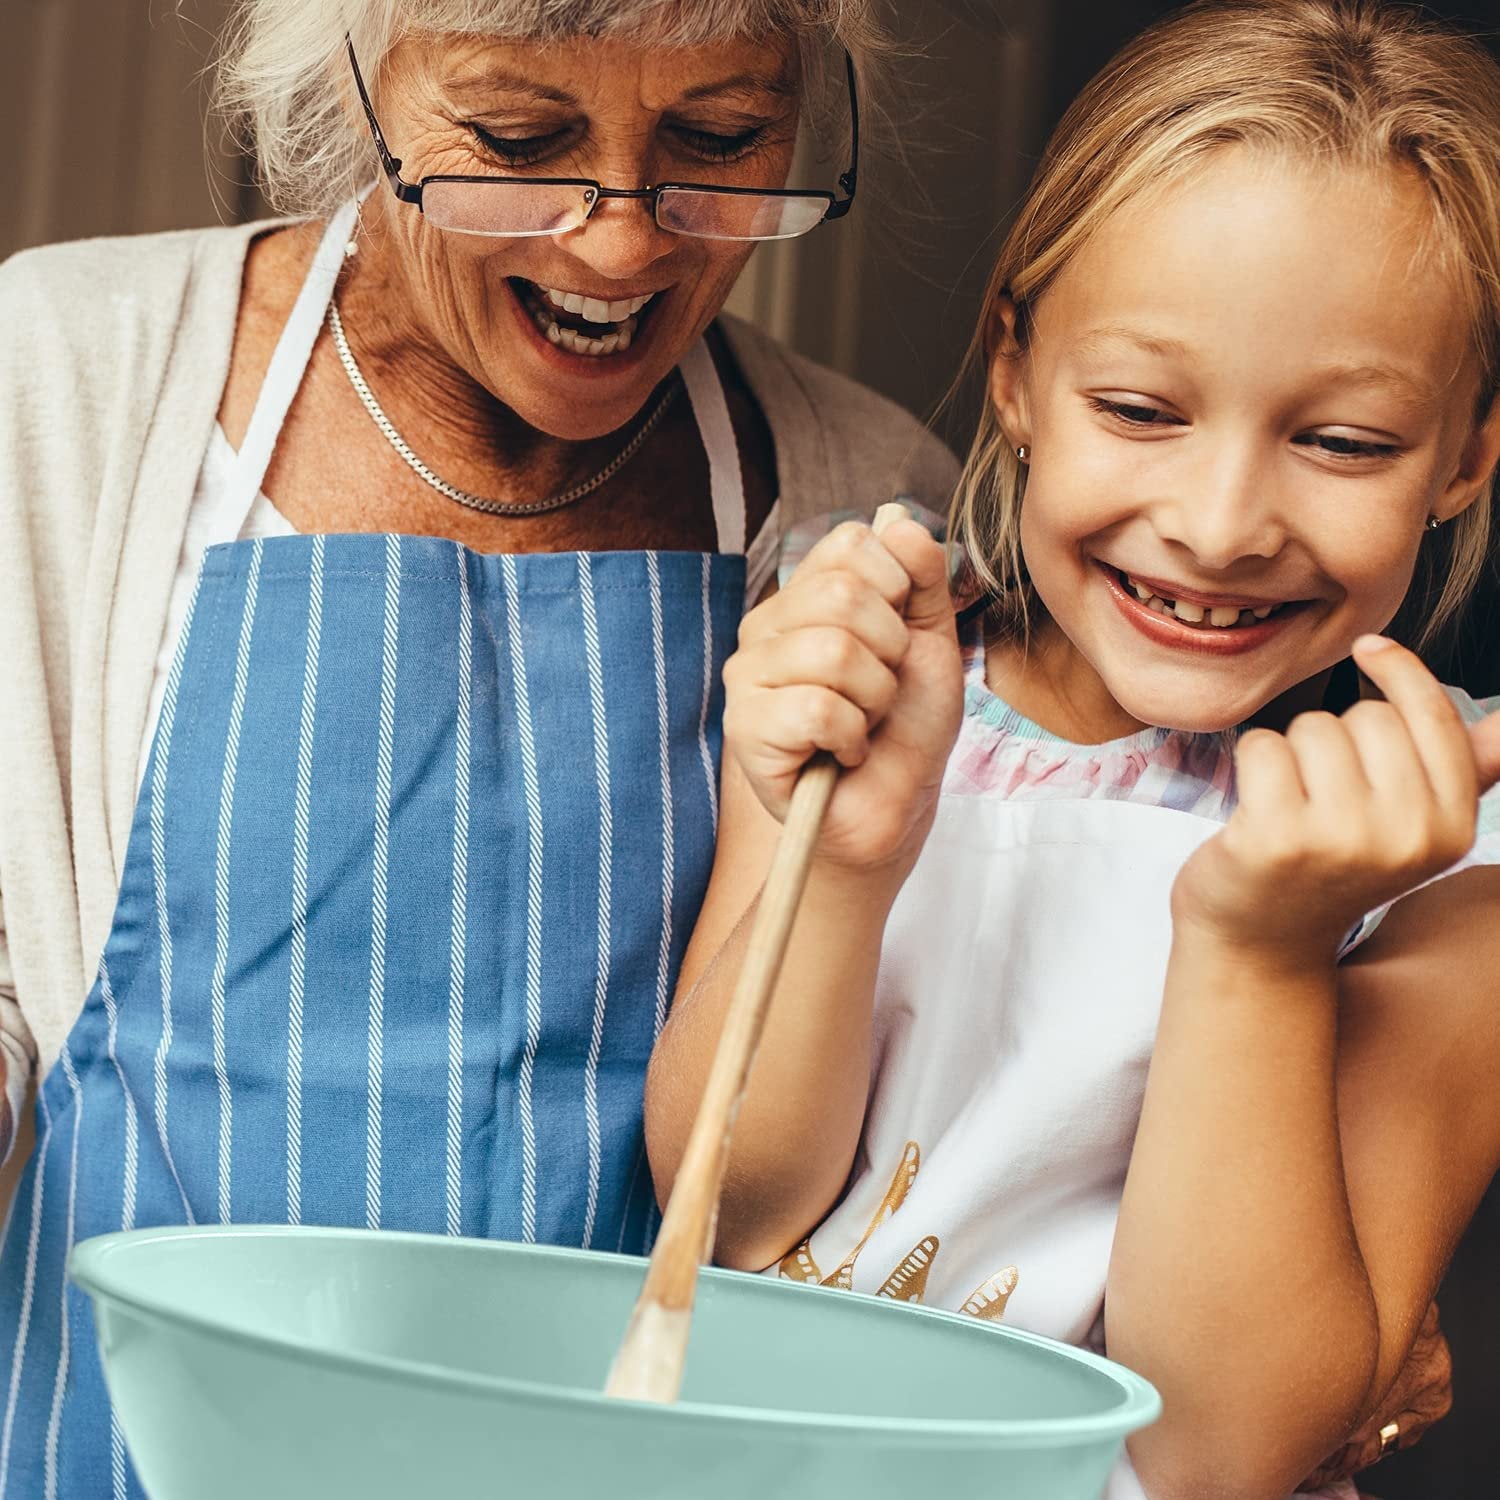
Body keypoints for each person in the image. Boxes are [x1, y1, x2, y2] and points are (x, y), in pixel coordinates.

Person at [0, 0, 959, 1491]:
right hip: (114, 1447)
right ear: (356, 89)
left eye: (718, 141)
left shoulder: (866, 495)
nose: (619, 244)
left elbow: (905, 1120)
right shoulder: (56, 380)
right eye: (519, 141)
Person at [644, 3, 1500, 1497]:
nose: (1222, 524)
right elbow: (725, 1214)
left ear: (1467, 456)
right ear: (1018, 371)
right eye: (1139, 409)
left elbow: (1221, 1445)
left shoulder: (1455, 867)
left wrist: (1259, 945)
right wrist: (843, 865)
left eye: (1346, 441)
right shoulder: (861, 675)